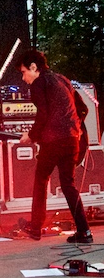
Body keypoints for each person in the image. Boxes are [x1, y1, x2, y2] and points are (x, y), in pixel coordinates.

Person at [17, 48, 92, 244]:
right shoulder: (62, 79)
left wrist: (31, 136)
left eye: (24, 72)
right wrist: (74, 127)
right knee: (68, 185)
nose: (24, 78)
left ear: (34, 67)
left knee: (41, 179)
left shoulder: (39, 84)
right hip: (72, 139)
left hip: (54, 141)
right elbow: (82, 109)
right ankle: (84, 232)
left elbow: (43, 115)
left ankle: (35, 228)